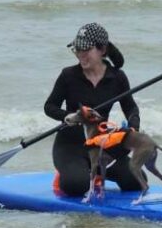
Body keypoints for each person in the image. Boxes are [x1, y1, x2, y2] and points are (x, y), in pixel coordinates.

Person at [44, 23, 141, 196]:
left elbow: (130, 107)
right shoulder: (68, 75)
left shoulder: (117, 77)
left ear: (102, 50)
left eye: (86, 50)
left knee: (136, 182)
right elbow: (49, 106)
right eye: (77, 49)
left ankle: (94, 172)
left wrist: (133, 127)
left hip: (102, 147)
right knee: (76, 185)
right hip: (70, 146)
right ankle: (70, 173)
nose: (80, 54)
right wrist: (69, 116)